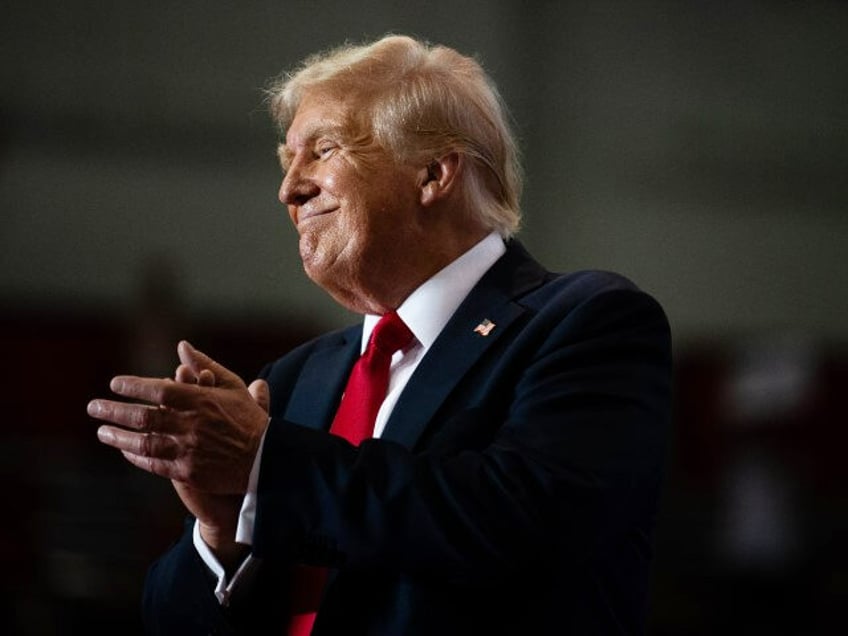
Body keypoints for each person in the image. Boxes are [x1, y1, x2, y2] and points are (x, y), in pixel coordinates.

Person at [88, 34, 672, 635]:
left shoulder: (585, 322)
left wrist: (266, 463)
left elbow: (519, 522)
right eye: (288, 159)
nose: (289, 189)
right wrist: (223, 533)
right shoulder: (294, 378)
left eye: (323, 150)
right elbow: (168, 621)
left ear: (433, 174)